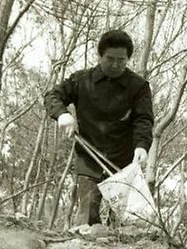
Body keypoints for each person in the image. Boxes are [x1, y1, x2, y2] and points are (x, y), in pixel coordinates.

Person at [44, 30, 154, 230]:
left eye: (121, 60)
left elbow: (144, 119)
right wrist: (63, 114)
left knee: (125, 224)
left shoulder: (138, 86)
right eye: (109, 59)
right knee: (87, 219)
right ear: (100, 56)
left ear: (128, 59)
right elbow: (53, 96)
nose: (115, 65)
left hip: (123, 161)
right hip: (89, 157)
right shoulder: (82, 80)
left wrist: (142, 146)